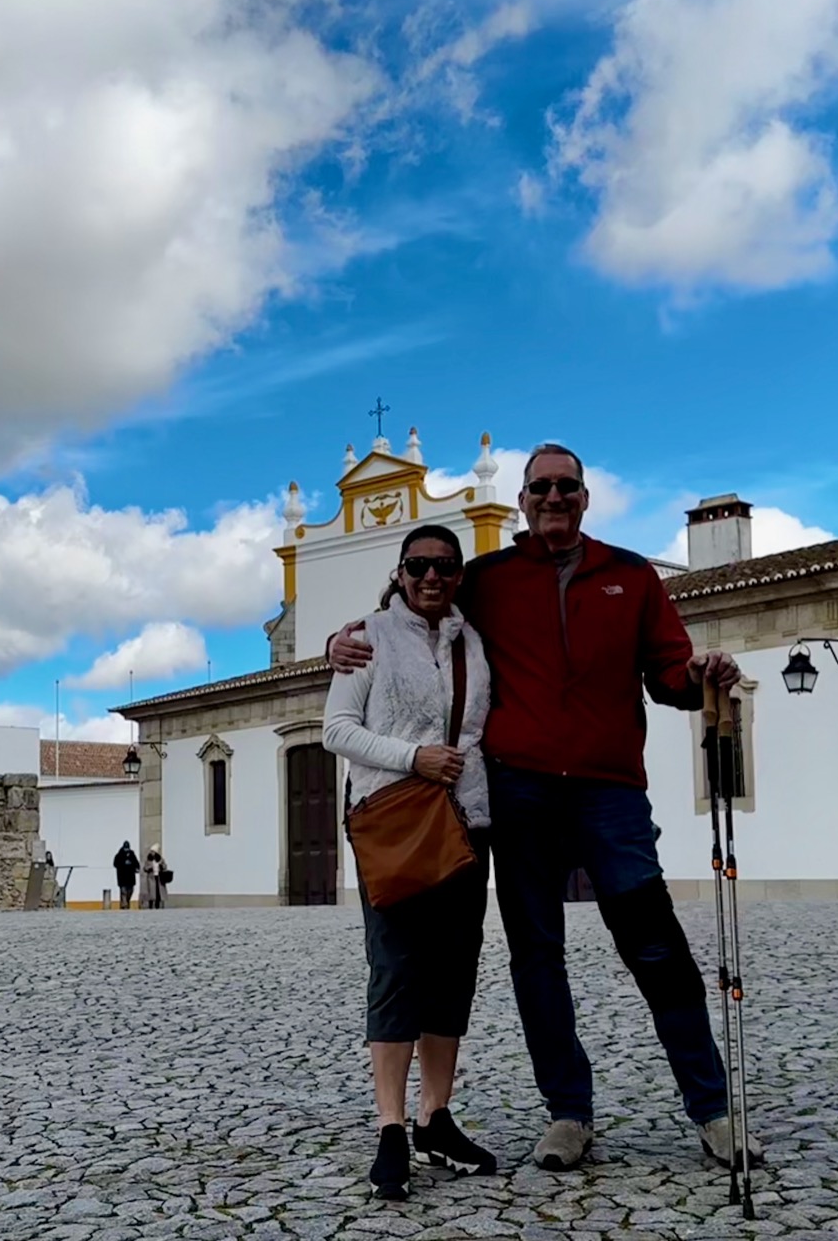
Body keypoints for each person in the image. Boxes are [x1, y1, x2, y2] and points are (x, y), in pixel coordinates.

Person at [329, 443, 761, 1174]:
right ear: (522, 502)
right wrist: (344, 637)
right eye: (540, 488)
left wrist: (697, 673)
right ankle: (569, 1113)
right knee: (537, 957)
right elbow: (415, 611)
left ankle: (713, 1109)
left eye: (566, 487)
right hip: (521, 790)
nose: (553, 498)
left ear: (585, 497)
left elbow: (667, 673)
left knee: (655, 944)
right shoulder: (489, 579)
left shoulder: (630, 576)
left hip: (608, 790)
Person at [322, 524, 500, 1201]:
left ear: (459, 576)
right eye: (419, 565)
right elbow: (336, 730)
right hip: (394, 822)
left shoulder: (473, 641)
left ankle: (436, 1116)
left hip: (464, 825)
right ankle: (391, 1125)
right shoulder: (364, 637)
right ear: (400, 572)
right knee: (395, 967)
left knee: (452, 970)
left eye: (445, 567)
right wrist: (413, 758)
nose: (432, 576)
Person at [140, 844, 169, 909]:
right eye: (151, 851)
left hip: (159, 877)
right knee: (151, 892)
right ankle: (151, 904)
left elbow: (165, 866)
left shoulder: (160, 859)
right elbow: (145, 867)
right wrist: (149, 868)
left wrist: (162, 867)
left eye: (153, 851)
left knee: (158, 891)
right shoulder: (148, 859)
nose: (151, 853)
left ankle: (157, 904)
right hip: (151, 877)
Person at [113, 840, 140, 910]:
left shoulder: (132, 854)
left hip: (131, 876)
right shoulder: (119, 855)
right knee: (123, 891)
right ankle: (124, 905)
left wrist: (136, 867)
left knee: (130, 891)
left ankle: (127, 902)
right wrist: (124, 864)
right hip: (122, 876)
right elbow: (115, 864)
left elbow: (136, 863)